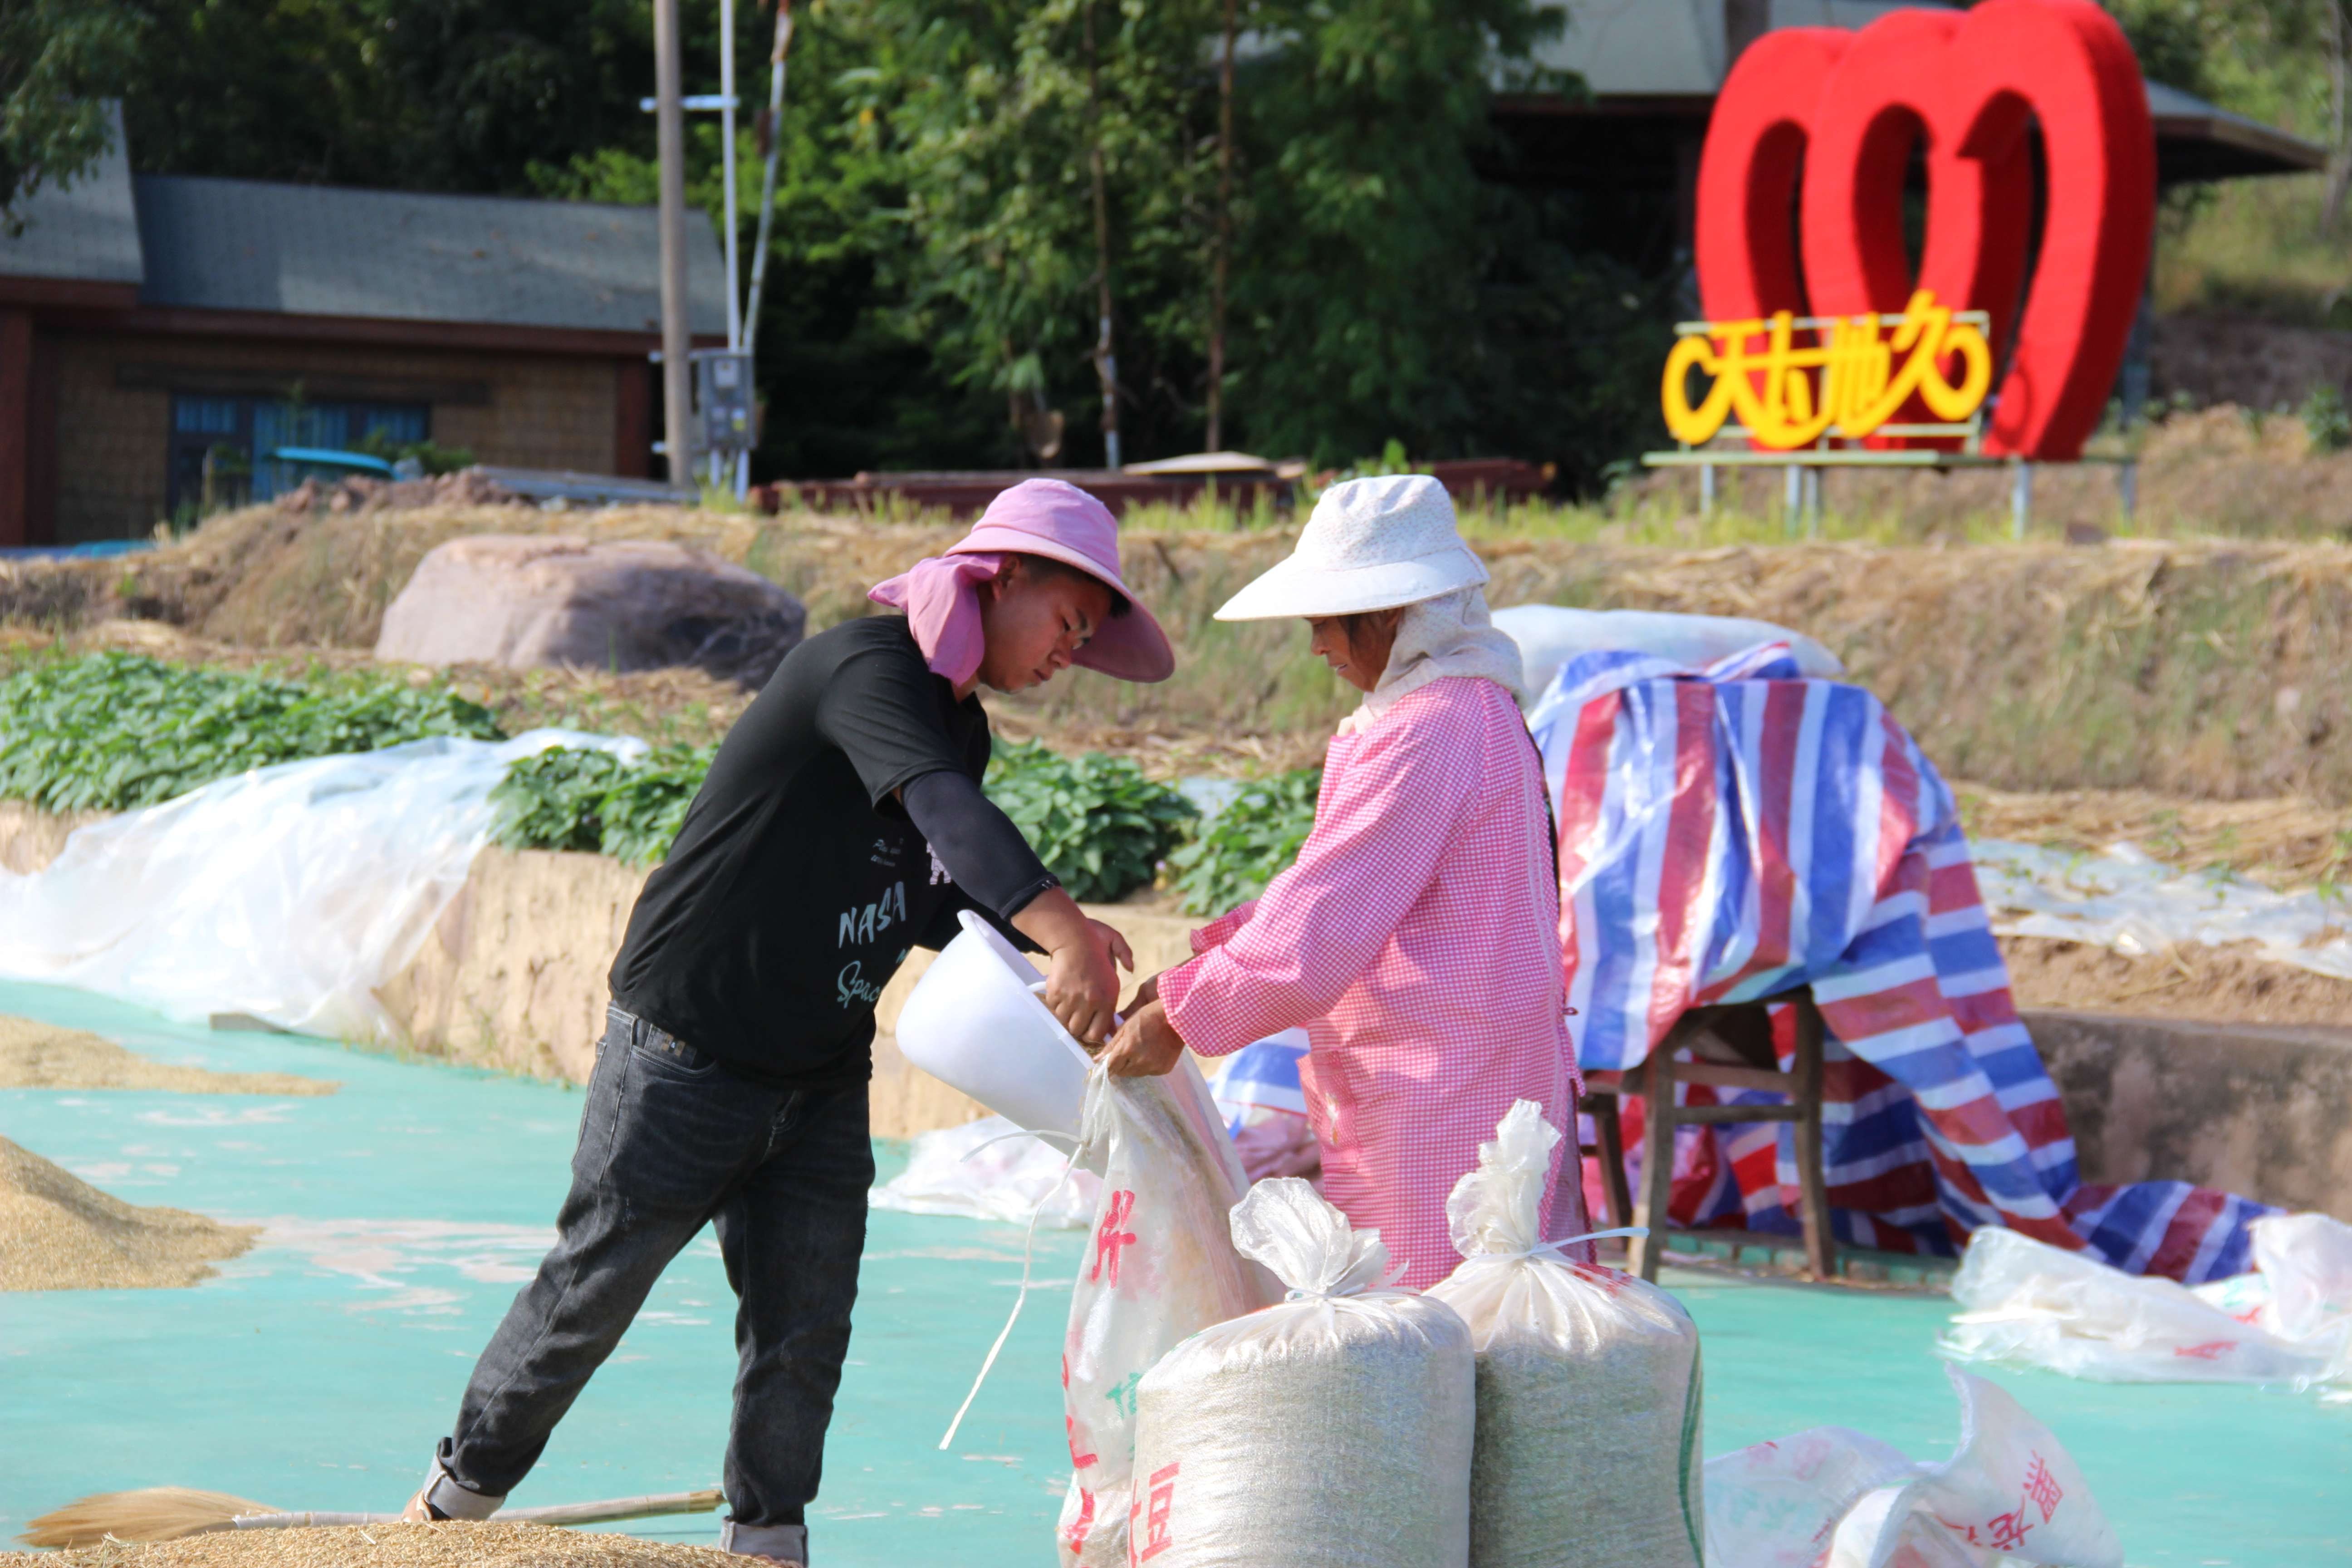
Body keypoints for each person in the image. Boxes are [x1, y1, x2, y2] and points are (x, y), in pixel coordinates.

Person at [403, 479, 1174, 1565]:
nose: (1069, 653)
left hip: (817, 1077)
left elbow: (929, 887)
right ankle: (445, 1516)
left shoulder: (961, 724)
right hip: (686, 1051)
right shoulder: (865, 670)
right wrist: (1061, 929)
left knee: (804, 1331)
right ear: (1002, 579)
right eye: (1066, 623)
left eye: (1087, 640)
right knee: (592, 1292)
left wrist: (1048, 967)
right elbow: (945, 810)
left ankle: (766, 1544)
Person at [1098, 473, 1582, 1290]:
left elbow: (1322, 923)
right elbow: (1330, 888)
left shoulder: (1430, 728)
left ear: (1390, 616)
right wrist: (1190, 977)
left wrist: (1184, 1011)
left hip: (1443, 1088)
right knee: (1478, 1314)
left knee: (1430, 1325)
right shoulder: (1471, 710)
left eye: (1328, 622)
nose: (1318, 645)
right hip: (1467, 1069)